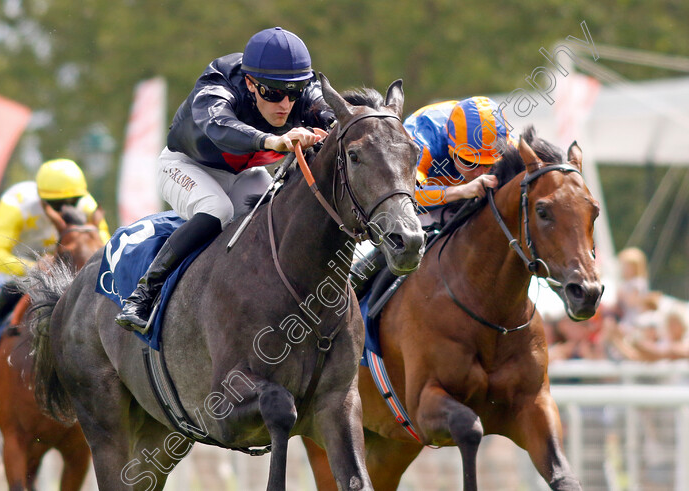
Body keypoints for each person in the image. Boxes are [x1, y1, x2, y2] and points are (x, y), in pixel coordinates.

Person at [115, 27, 334, 330]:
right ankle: (144, 294)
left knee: (277, 217)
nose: (285, 104)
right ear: (250, 83)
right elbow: (220, 126)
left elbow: (336, 117)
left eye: (293, 93)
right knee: (218, 210)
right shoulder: (218, 83)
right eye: (273, 93)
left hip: (243, 174)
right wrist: (272, 141)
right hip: (185, 166)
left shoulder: (303, 94)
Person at [349, 96, 511, 294]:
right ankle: (356, 281)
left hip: (461, 193)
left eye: (489, 164)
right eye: (470, 162)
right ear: (450, 146)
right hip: (420, 204)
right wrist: (460, 191)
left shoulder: (503, 141)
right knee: (401, 242)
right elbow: (408, 197)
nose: (481, 173)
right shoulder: (421, 136)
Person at [0, 158, 110, 358]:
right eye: (56, 204)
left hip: (63, 259)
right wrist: (34, 267)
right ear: (41, 198)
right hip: (24, 258)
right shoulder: (16, 203)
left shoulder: (88, 206)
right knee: (8, 284)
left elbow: (106, 247)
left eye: (72, 202)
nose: (65, 209)